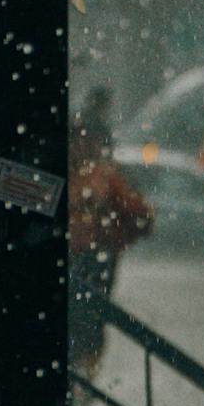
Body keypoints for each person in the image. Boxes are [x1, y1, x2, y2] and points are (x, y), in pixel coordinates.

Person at [66, 104, 154, 382]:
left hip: (94, 261)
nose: (82, 145)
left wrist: (106, 228)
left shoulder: (105, 177)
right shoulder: (93, 176)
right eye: (78, 139)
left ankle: (83, 371)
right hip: (86, 261)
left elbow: (140, 217)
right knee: (87, 318)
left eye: (88, 140)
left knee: (90, 319)